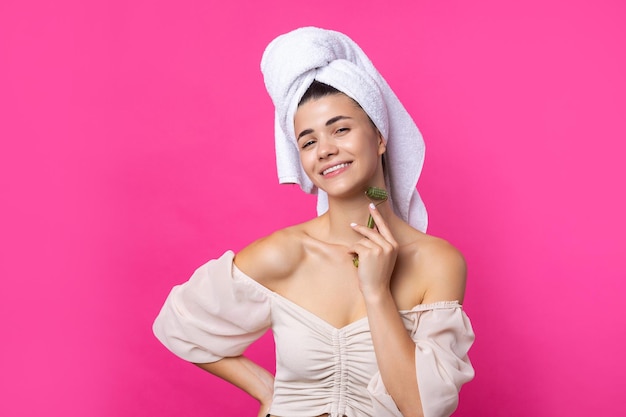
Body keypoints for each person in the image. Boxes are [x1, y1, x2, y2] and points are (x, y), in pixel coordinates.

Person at [153, 27, 474, 417]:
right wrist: (267, 391)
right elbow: (179, 325)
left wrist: (376, 293)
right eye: (307, 141)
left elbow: (422, 409)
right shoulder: (286, 253)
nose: (325, 150)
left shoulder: (435, 262)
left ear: (379, 136)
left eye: (341, 129)